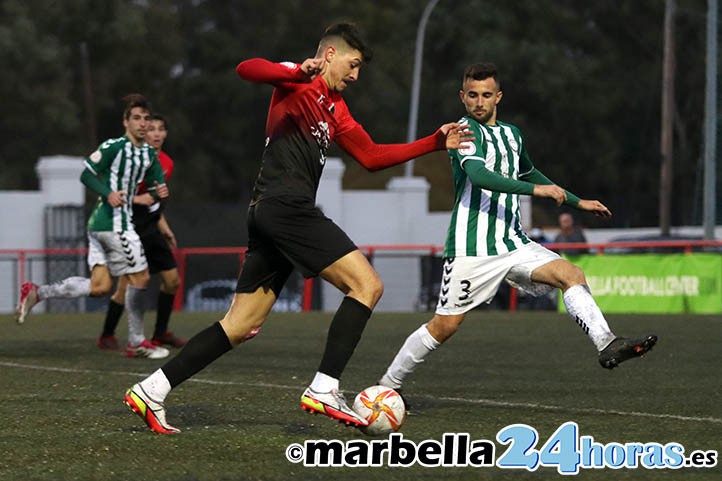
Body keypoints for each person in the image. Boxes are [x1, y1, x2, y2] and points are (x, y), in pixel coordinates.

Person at [123, 22, 473, 434]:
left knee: (239, 325)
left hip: (271, 213)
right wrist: (293, 72)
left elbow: (372, 156)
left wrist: (432, 142)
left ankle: (152, 389)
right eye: (353, 64)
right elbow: (246, 68)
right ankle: (324, 387)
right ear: (330, 55)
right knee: (367, 286)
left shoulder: (336, 108)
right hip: (285, 207)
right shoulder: (297, 79)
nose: (356, 75)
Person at [378, 63, 657, 397]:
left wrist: (576, 201)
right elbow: (481, 177)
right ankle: (387, 385)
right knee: (445, 326)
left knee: (571, 274)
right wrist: (537, 192)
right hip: (473, 247)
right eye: (472, 95)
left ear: (498, 97)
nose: (478, 102)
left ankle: (606, 343)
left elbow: (530, 173)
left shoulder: (512, 135)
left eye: (485, 95)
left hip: (513, 242)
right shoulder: (464, 131)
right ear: (462, 97)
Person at [16, 94, 171, 360]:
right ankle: (136, 342)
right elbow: (86, 173)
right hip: (114, 223)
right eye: (137, 118)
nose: (143, 124)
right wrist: (108, 192)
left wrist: (159, 193)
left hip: (100, 226)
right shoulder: (114, 147)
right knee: (141, 277)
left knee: (100, 287)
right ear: (125, 122)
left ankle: (38, 292)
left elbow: (158, 187)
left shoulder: (148, 155)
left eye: (146, 118)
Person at [98, 114, 186, 351]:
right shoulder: (132, 160)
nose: (156, 134)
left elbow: (155, 203)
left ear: (166, 134)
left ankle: (160, 334)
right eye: (152, 129)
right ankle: (107, 334)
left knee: (172, 281)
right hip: (131, 226)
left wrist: (165, 229)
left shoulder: (166, 162)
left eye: (161, 129)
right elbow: (117, 192)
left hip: (151, 227)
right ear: (143, 132)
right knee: (127, 285)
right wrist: (138, 199)